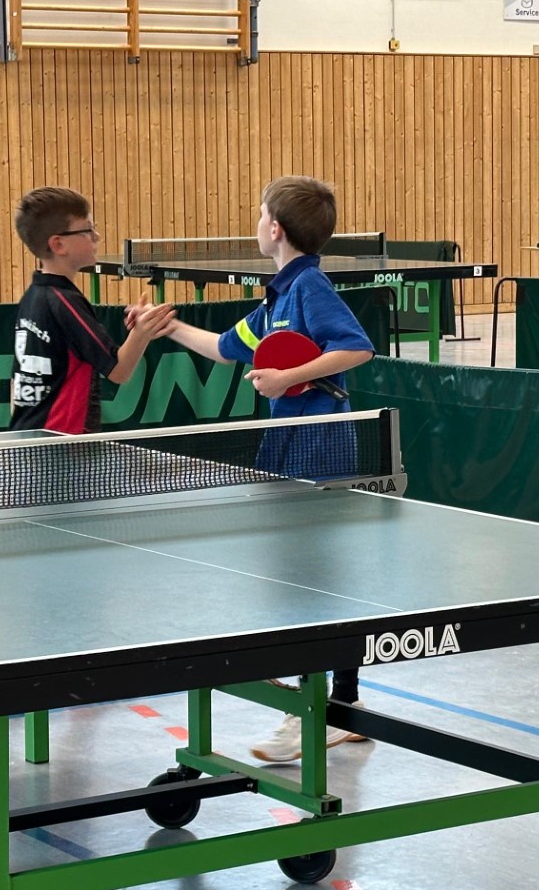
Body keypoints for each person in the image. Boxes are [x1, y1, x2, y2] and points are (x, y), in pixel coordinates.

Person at [155, 176, 376, 766]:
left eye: (258, 215)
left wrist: (282, 380)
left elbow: (357, 346)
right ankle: (339, 705)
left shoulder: (310, 287)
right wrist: (168, 327)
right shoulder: (279, 298)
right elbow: (230, 347)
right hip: (286, 442)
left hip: (319, 443)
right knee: (300, 575)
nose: (255, 223)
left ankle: (318, 710)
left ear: (275, 229)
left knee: (309, 578)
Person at [8, 187, 175, 434]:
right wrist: (142, 332)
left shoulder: (34, 296)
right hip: (63, 446)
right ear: (59, 244)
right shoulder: (65, 303)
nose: (96, 236)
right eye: (87, 230)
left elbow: (16, 384)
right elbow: (118, 371)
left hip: (26, 437)